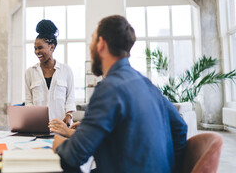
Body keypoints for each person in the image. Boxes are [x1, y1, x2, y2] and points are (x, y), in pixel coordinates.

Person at [52, 15, 188, 173]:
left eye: (92, 39)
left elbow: (75, 155)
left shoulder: (108, 88)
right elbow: (180, 128)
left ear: (101, 44)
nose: (90, 47)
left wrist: (59, 145)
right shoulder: (146, 83)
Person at [25, 19, 76, 125]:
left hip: (61, 127)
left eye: (40, 48)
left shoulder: (66, 71)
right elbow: (28, 102)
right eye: (35, 49)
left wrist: (69, 115)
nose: (37, 52)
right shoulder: (30, 72)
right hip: (38, 127)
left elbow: (70, 98)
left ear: (51, 47)